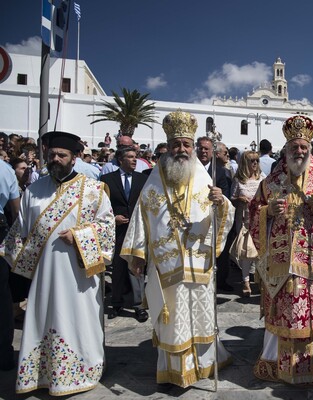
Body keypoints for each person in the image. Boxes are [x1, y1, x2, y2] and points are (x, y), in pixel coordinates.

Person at [120, 111, 234, 387]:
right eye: (176, 145)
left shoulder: (203, 175)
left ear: (192, 147)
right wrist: (137, 254)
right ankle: (174, 369)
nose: (181, 150)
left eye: (186, 144)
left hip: (198, 263)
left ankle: (206, 363)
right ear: (168, 147)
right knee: (172, 318)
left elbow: (222, 215)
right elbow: (141, 215)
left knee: (200, 314)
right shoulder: (155, 179)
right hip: (166, 265)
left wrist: (222, 203)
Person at [0, 131, 115, 395]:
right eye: (51, 154)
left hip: (79, 275)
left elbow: (107, 229)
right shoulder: (34, 190)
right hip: (45, 275)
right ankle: (41, 373)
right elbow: (21, 230)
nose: (55, 159)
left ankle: (84, 369)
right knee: (44, 316)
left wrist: (79, 235)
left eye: (61, 155)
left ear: (74, 158)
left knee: (79, 320)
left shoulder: (94, 190)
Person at [249, 115, 313, 384]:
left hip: (310, 262)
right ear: (286, 150)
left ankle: (308, 366)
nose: (300, 152)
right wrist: (268, 212)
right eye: (295, 148)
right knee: (281, 312)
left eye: (304, 147)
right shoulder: (270, 184)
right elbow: (252, 213)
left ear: (310, 149)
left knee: (307, 313)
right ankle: (274, 363)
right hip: (279, 264)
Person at [100, 147, 149, 322]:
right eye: (130, 157)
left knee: (136, 265)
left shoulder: (142, 179)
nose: (134, 160)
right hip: (118, 230)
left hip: (137, 230)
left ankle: (138, 305)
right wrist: (113, 218)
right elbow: (101, 205)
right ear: (120, 160)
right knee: (119, 267)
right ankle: (116, 302)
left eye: (135, 157)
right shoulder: (107, 180)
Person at [196, 136, 233, 291]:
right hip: (196, 219)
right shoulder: (190, 169)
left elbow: (227, 194)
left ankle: (220, 281)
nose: (203, 151)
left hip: (214, 216)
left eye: (207, 149)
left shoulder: (220, 172)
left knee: (220, 253)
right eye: (201, 148)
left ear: (212, 152)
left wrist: (219, 198)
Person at [230, 150, 264, 296]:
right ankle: (245, 281)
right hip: (244, 219)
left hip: (259, 218)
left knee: (260, 250)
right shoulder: (238, 180)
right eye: (252, 161)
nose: (255, 163)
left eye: (257, 160)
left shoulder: (262, 178)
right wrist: (239, 200)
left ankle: (260, 279)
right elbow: (231, 199)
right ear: (245, 163)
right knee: (246, 252)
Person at [0, 158, 20, 371]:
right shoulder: (5, 170)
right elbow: (16, 211)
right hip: (1, 229)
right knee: (2, 296)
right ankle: (4, 354)